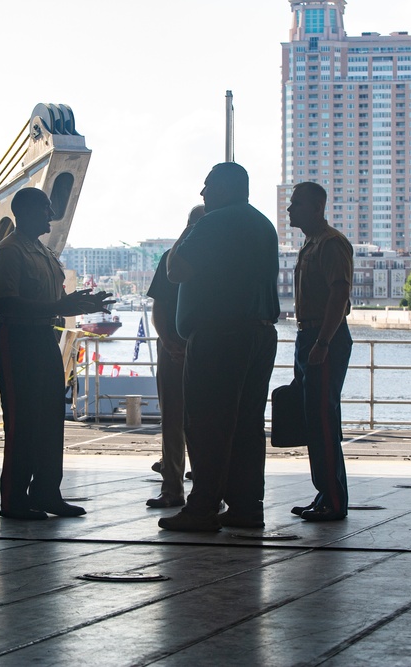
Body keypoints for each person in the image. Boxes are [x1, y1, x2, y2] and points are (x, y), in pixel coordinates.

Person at [159, 163, 280, 532]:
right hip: (259, 335)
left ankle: (203, 506)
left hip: (219, 335)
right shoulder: (263, 225)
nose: (202, 193)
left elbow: (175, 270)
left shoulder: (213, 223)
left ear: (226, 188)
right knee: (246, 424)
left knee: (207, 421)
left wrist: (187, 231)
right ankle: (247, 506)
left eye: (208, 185)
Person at [0, 187, 113, 520]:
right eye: (44, 208)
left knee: (49, 417)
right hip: (16, 338)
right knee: (22, 420)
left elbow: (55, 298)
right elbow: (4, 303)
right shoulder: (8, 253)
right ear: (25, 212)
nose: (50, 214)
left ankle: (45, 492)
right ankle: (13, 499)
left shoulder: (41, 251)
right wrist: (60, 306)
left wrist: (82, 302)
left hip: (42, 336)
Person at [287, 182, 353, 521]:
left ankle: (334, 500)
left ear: (316, 208)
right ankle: (324, 493)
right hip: (308, 335)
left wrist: (323, 343)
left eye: (296, 204)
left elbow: (338, 295)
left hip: (323, 336)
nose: (289, 209)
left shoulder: (331, 244)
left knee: (324, 421)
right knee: (314, 419)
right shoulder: (310, 245)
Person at [145, 205, 203, 509]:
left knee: (174, 420)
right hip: (195, 347)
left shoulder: (172, 258)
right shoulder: (211, 260)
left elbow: (159, 306)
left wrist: (167, 342)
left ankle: (174, 490)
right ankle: (202, 491)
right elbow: (161, 307)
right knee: (198, 420)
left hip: (174, 348)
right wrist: (169, 342)